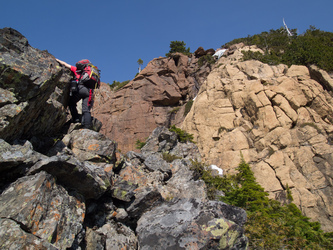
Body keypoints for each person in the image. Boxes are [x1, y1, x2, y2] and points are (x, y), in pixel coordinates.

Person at [56, 58, 94, 129]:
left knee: (71, 103)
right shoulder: (89, 73)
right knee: (86, 110)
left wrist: (56, 60)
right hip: (89, 91)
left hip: (80, 89)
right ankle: (87, 127)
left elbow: (65, 64)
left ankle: (76, 118)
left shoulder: (76, 70)